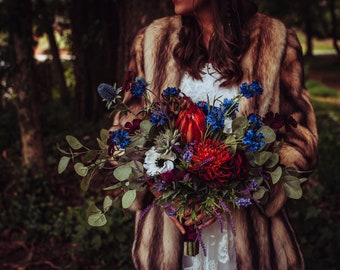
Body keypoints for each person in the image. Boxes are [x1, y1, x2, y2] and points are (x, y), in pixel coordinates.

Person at [112, 0, 318, 269]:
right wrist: (165, 192)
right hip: (171, 242)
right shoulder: (152, 42)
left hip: (250, 240)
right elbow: (124, 133)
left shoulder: (275, 40)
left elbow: (301, 140)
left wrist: (236, 188)